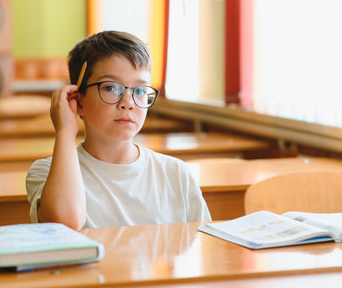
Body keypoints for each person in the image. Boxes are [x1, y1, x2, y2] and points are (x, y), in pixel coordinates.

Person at [26, 31, 211, 230]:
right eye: (110, 88)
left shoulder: (175, 173)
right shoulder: (46, 173)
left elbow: (203, 247)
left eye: (140, 90)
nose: (128, 103)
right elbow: (64, 225)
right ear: (78, 101)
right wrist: (64, 131)